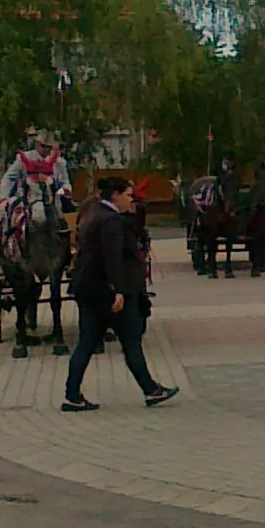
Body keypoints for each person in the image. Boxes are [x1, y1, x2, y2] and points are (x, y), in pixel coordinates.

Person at [63, 176, 178, 413]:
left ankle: (72, 395)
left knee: (87, 342)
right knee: (131, 339)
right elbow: (112, 258)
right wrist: (119, 291)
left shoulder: (92, 213)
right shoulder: (110, 220)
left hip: (87, 289)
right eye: (127, 195)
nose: (130, 199)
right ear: (114, 195)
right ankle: (151, 390)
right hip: (107, 293)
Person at [0, 129, 72, 207]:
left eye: (48, 147)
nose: (45, 149)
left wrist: (64, 190)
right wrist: (4, 197)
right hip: (24, 200)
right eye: (43, 146)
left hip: (51, 201)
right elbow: (8, 178)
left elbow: (65, 182)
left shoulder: (59, 162)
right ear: (37, 144)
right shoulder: (24, 158)